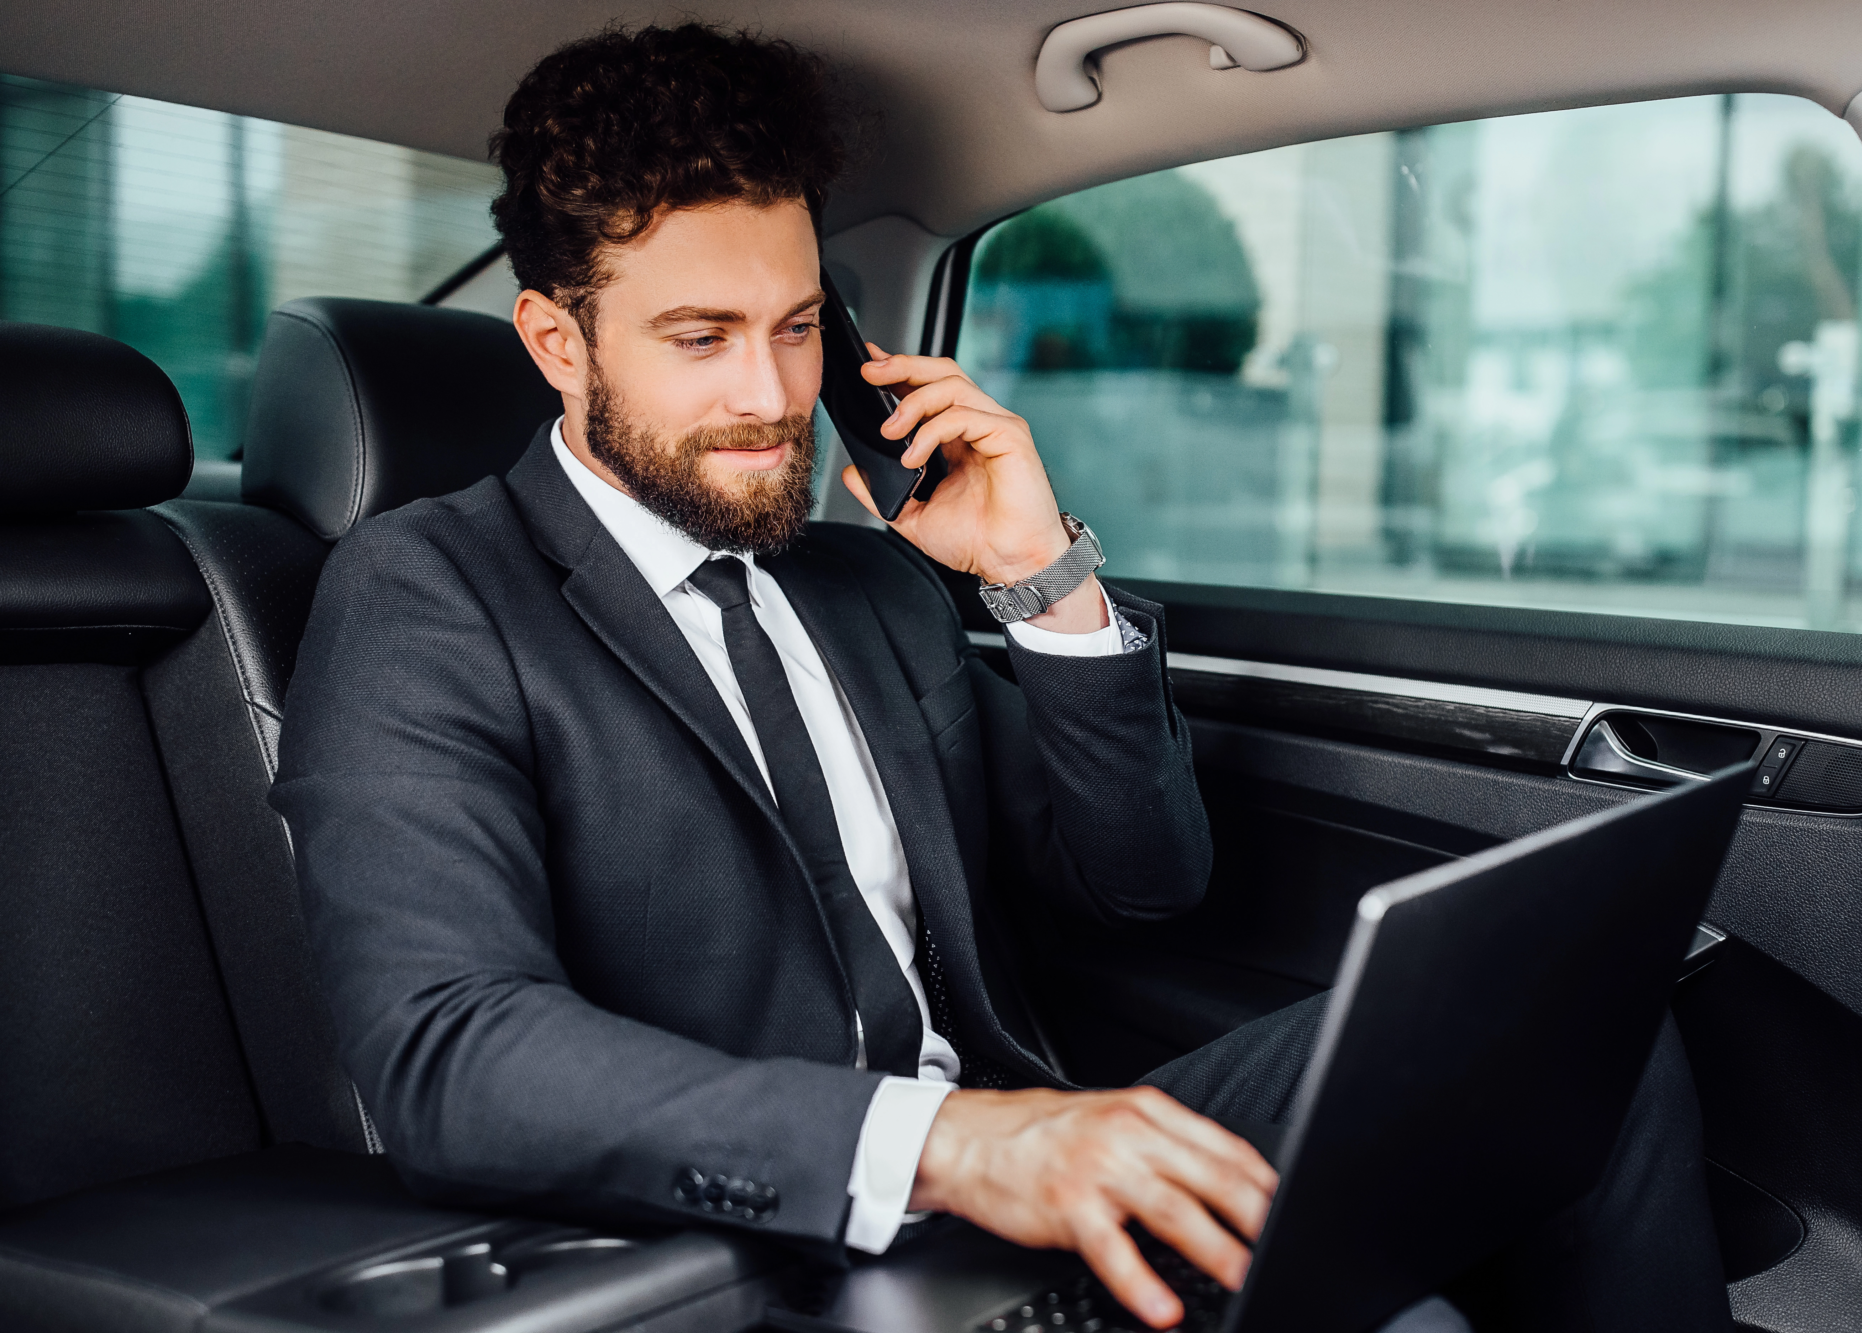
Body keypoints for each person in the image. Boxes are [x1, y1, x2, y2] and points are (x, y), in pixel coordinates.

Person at [271, 23, 1733, 1333]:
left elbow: (1142, 884)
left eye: (797, 330)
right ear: (554, 342)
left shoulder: (865, 587)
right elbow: (447, 1052)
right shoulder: (427, 594)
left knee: (1583, 1035)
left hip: (1014, 1160)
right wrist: (962, 1147)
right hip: (753, 1242)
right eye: (700, 340)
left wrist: (1041, 578)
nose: (772, 398)